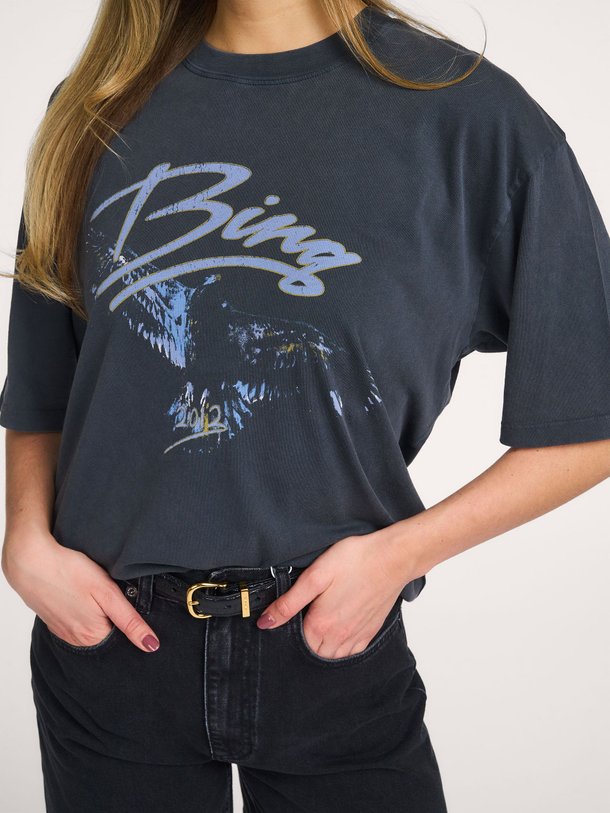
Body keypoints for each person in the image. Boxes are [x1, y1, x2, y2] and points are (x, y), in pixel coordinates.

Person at [1, 1, 609, 811]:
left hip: (333, 645)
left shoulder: (471, 117)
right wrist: (25, 538)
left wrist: (399, 555)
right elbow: (44, 380)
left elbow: (589, 417)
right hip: (109, 650)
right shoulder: (95, 105)